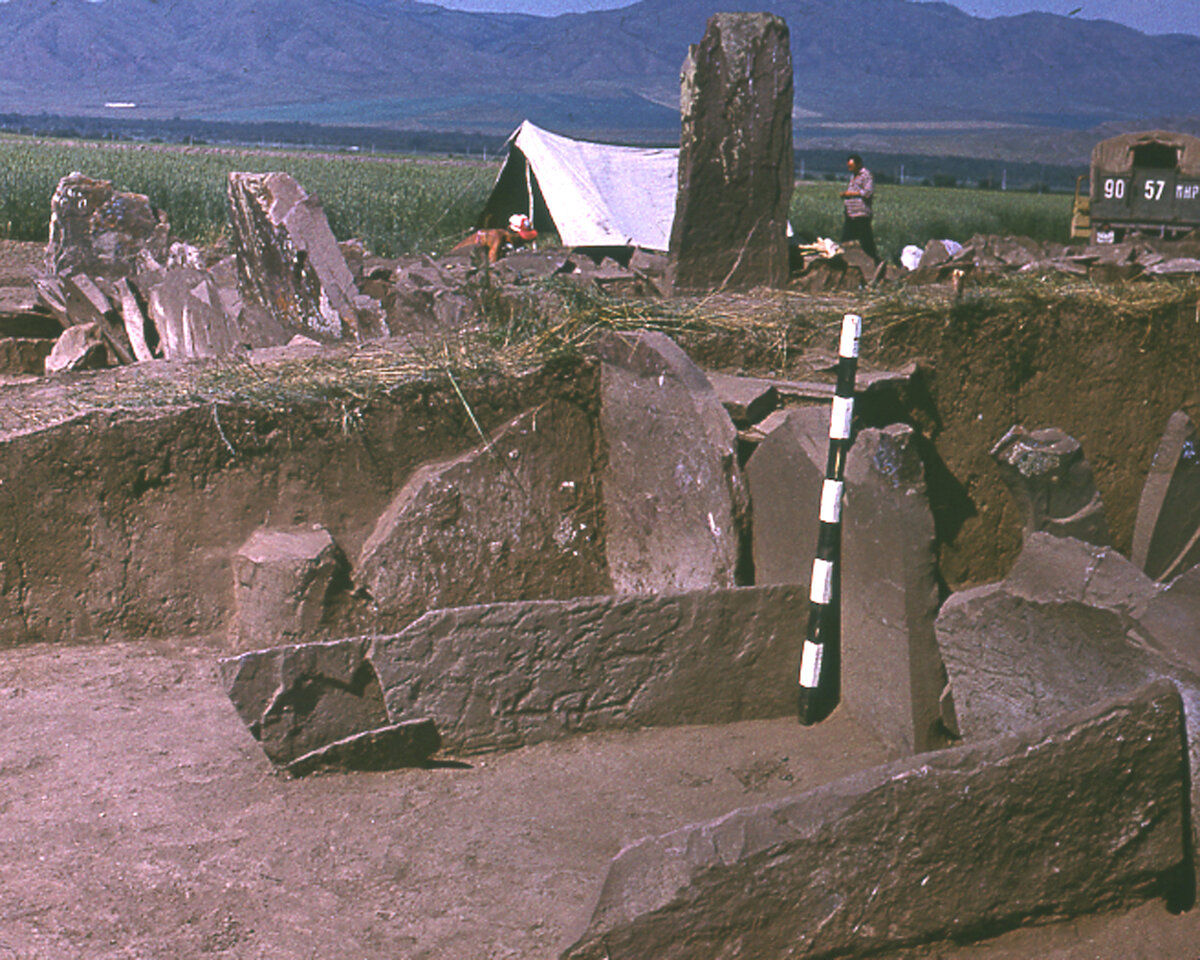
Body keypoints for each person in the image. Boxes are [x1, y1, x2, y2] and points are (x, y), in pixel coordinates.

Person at [451, 213, 538, 263]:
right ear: (512, 233)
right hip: (458, 255)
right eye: (520, 238)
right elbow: (492, 261)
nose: (521, 241)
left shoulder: (504, 239)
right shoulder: (496, 237)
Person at [840, 154, 878, 261]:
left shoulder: (866, 175)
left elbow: (868, 192)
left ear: (859, 164)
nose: (849, 169)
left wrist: (850, 194)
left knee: (865, 240)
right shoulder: (853, 176)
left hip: (862, 213)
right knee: (847, 239)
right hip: (851, 213)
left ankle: (874, 261)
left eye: (851, 166)